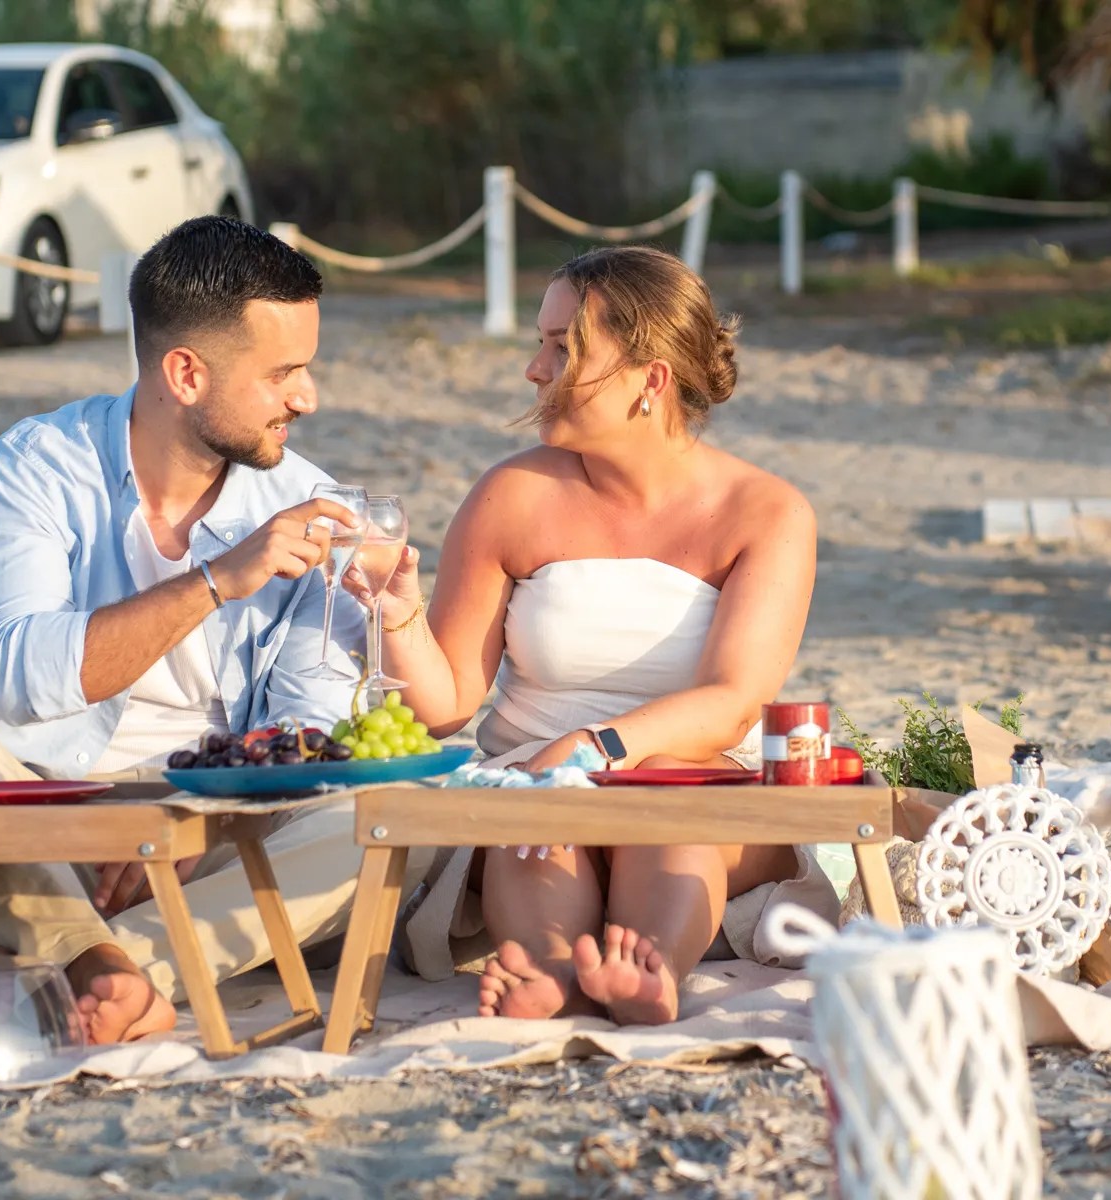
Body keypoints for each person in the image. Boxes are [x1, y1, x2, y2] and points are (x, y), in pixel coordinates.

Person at [0, 215, 398, 1045]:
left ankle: (97, 965)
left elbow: (310, 727)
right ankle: (116, 964)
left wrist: (190, 823)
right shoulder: (36, 463)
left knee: (382, 810)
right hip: (50, 808)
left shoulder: (309, 504)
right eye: (284, 374)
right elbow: (18, 678)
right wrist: (215, 581)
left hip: (215, 818)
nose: (307, 398)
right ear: (186, 372)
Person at [349, 245, 832, 1027]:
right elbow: (445, 709)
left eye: (562, 347)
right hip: (536, 793)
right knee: (539, 821)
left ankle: (651, 969)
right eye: (540, 343)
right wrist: (396, 610)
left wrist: (593, 747)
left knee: (665, 793)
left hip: (693, 779)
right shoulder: (511, 495)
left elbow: (734, 702)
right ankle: (550, 972)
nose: (534, 370)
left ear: (652, 380)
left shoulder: (767, 511)